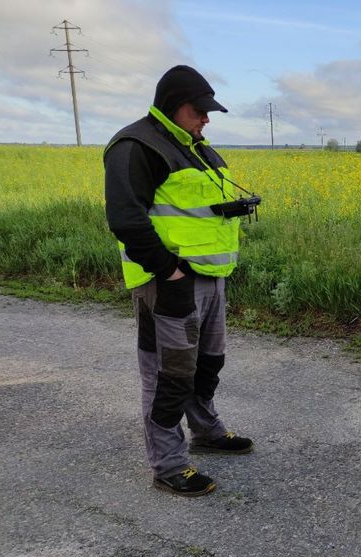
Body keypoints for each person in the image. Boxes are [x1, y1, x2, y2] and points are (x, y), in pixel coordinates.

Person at [104, 65, 253, 497]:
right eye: (200, 110)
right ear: (173, 105)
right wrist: (167, 270)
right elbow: (126, 218)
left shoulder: (195, 147)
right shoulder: (137, 146)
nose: (207, 118)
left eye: (209, 111)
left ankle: (206, 431)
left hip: (211, 278)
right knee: (170, 375)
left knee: (207, 364)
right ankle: (168, 464)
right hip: (168, 282)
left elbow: (196, 209)